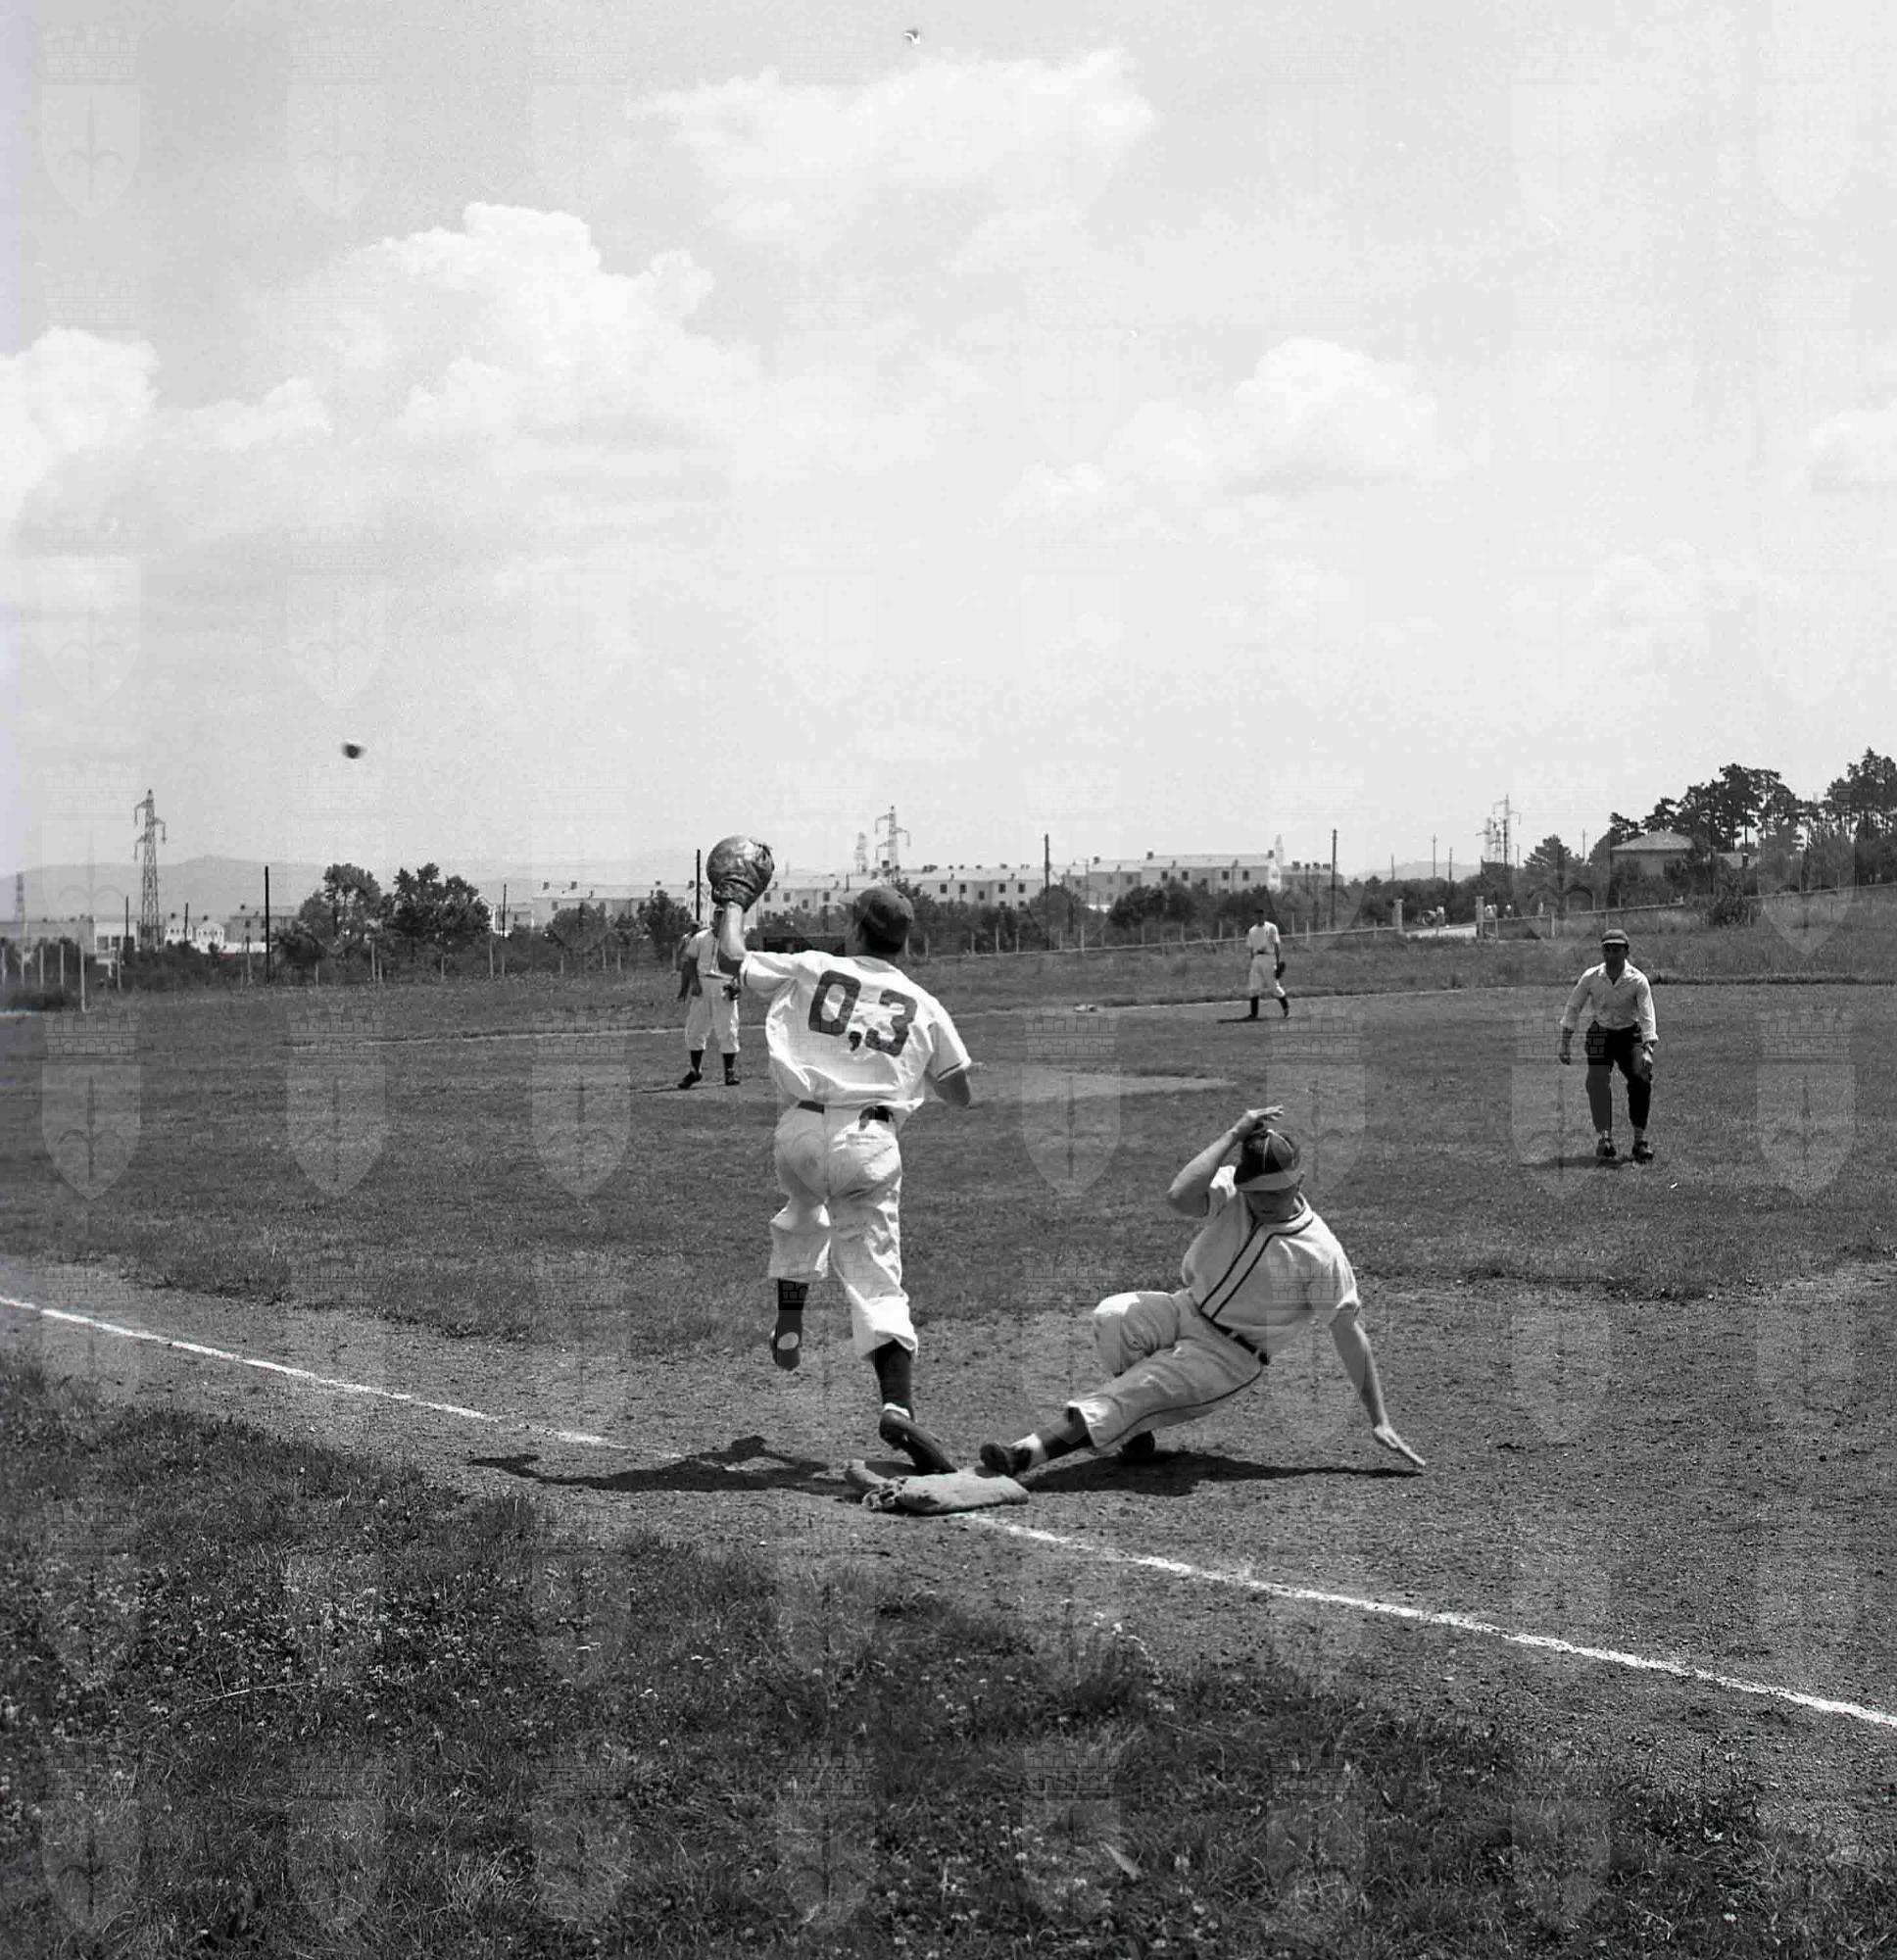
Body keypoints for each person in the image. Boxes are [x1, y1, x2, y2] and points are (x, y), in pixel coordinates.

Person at [979, 1109, 1425, 1478]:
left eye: (1276, 1191)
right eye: (1256, 1192)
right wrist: (1233, 1133)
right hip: (1184, 1309)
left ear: (1300, 1179)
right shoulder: (1233, 1191)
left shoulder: (1320, 1253)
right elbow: (1178, 1197)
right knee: (1114, 1316)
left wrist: (1379, 1419)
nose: (1264, 1201)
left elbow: (1347, 1333)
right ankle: (1133, 1432)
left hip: (1229, 1356)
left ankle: (1025, 1454)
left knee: (1140, 1386)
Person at [714, 885, 976, 1474]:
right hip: (868, 1141)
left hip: (801, 1130)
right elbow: (960, 1092)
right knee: (877, 1278)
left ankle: (790, 1316)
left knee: (803, 1210)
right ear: (902, 941)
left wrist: (733, 903)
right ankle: (897, 1406)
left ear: (857, 929)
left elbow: (731, 958)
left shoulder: (814, 967)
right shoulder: (923, 1003)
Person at [1558, 926, 1657, 1163]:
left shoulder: (1638, 980)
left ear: (1626, 952)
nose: (1612, 954)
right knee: (1596, 1081)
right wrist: (1565, 1043)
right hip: (1600, 1034)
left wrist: (1648, 1050)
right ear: (1602, 952)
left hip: (1629, 1035)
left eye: (1617, 950)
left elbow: (1647, 1016)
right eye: (1607, 949)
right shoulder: (1591, 977)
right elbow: (1573, 1006)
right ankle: (1605, 1139)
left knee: (1641, 1079)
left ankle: (1639, 1142)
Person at [676, 915, 741, 1089]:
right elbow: (689, 962)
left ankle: (729, 1071)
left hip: (724, 985)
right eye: (718, 918)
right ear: (713, 921)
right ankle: (695, 1070)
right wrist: (693, 984)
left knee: (728, 1029)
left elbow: (740, 966)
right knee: (695, 1028)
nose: (722, 922)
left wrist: (736, 985)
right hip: (703, 984)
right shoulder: (700, 938)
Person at [1244, 911, 1289, 1019]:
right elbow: (1251, 948)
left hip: (1268, 957)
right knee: (1254, 987)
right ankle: (1253, 1014)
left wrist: (1278, 962)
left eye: (1261, 914)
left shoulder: (1271, 928)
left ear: (1264, 916)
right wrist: (1252, 962)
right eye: (1257, 914)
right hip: (1256, 958)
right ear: (1255, 916)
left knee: (1273, 986)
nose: (1259, 916)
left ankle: (1286, 1008)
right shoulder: (1252, 930)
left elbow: (1276, 945)